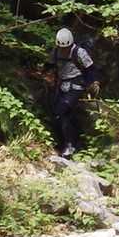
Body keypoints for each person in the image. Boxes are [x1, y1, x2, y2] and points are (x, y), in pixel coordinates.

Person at [50, 28, 96, 157]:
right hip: (62, 85)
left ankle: (70, 145)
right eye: (62, 47)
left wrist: (93, 83)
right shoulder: (55, 52)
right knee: (62, 115)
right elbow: (50, 65)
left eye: (66, 47)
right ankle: (69, 143)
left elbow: (91, 69)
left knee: (62, 110)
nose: (64, 50)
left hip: (76, 85)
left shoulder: (79, 52)